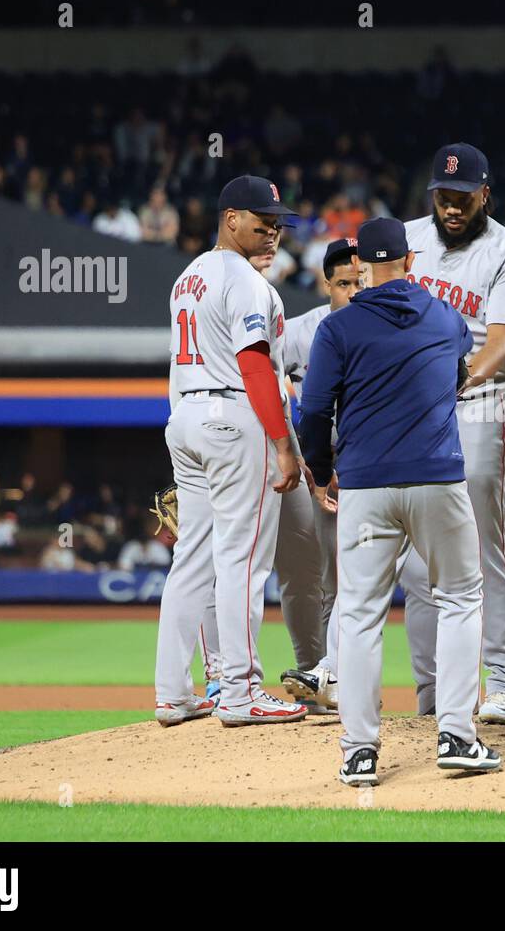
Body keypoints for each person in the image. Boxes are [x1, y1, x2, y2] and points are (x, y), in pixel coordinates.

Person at [298, 217, 500, 786]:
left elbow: (313, 411)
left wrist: (321, 469)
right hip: (438, 478)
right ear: (410, 260)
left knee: (360, 615)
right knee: (460, 597)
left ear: (360, 264)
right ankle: (458, 736)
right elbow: (460, 370)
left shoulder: (338, 328)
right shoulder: (443, 315)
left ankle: (359, 752)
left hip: (365, 484)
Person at [153, 175, 310, 729]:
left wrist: (184, 427)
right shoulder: (243, 280)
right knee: (243, 560)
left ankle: (173, 694)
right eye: (261, 223)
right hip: (234, 419)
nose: (272, 234)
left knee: (191, 557)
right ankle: (241, 693)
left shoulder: (186, 278)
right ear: (230, 219)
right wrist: (282, 444)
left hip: (187, 417)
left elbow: (177, 364)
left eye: (277, 226)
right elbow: (253, 366)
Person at [398, 143, 505, 723]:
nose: (451, 207)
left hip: (480, 403)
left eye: (463, 197)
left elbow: (501, 344)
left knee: (481, 541)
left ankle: (502, 681)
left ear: (485, 194)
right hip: (410, 408)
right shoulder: (406, 240)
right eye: (443, 197)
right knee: (415, 556)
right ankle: (433, 693)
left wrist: (446, 383)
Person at [275, 238, 363, 711]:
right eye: (343, 282)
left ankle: (332, 678)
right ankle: (315, 673)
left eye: (358, 281)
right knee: (307, 576)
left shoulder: (376, 328)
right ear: (326, 283)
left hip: (364, 468)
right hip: (315, 469)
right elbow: (266, 380)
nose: (351, 290)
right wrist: (292, 450)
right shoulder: (300, 331)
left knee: (347, 580)